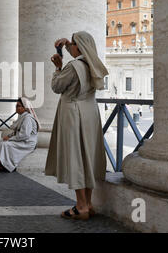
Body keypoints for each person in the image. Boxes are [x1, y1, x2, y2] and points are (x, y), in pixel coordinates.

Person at [45, 31, 109, 221]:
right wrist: (66, 43)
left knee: (76, 158)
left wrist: (58, 67)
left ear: (79, 46)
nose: (70, 46)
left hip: (73, 113)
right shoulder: (92, 64)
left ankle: (80, 206)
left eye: (72, 44)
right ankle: (88, 203)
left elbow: (57, 87)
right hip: (90, 112)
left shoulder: (72, 66)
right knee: (87, 157)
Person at [0, 98, 40, 173]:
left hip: (27, 142)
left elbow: (25, 135)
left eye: (18, 106)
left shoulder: (28, 118)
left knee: (4, 145)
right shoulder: (22, 117)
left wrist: (10, 139)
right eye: (16, 105)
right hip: (21, 140)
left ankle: (6, 165)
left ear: (24, 108)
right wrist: (9, 136)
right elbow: (17, 131)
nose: (16, 107)